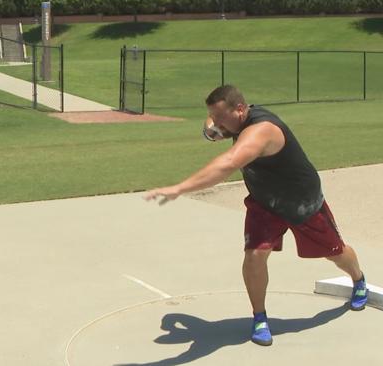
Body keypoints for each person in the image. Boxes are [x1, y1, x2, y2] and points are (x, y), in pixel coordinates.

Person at [144, 84, 368, 347]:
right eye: (214, 116)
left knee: (335, 252)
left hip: (301, 201)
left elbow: (227, 164)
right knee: (255, 254)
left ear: (240, 109)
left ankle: (359, 279)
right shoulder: (234, 121)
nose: (216, 123)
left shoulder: (261, 131)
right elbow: (213, 124)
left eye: (220, 117)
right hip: (264, 202)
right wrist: (213, 127)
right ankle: (259, 317)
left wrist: (179, 188)